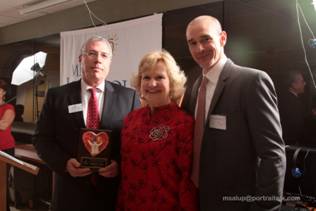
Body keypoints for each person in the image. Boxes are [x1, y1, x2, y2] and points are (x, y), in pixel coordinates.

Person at [182, 15, 286, 210]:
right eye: (192, 43)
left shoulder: (252, 81)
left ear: (222, 38)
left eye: (206, 39)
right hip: (198, 197)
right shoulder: (196, 86)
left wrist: (266, 207)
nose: (199, 49)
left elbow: (273, 153)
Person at [34, 36, 140, 211]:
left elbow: (136, 144)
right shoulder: (57, 96)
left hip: (112, 195)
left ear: (110, 62)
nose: (98, 60)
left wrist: (119, 165)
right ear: (80, 59)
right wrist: (65, 163)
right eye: (92, 53)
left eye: (104, 55)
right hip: (69, 194)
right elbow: (41, 139)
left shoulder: (129, 97)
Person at [117, 50, 198, 211]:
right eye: (146, 77)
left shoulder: (183, 123)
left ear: (172, 82)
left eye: (159, 77)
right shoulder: (131, 119)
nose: (151, 84)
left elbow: (186, 181)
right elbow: (125, 173)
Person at [278, 71, 306, 145]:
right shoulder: (290, 101)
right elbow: (295, 124)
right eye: (302, 81)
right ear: (294, 84)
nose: (304, 83)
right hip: (290, 143)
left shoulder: (290, 98)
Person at [0, 79, 16, 211]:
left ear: (3, 92)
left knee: (1, 184)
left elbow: (3, 125)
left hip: (5, 149)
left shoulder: (9, 108)